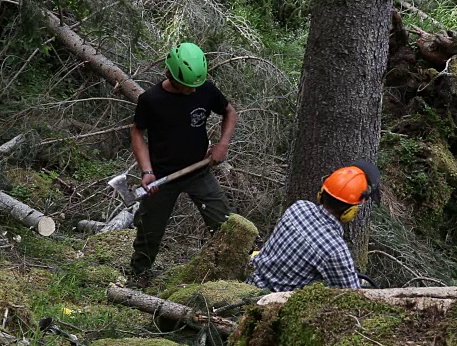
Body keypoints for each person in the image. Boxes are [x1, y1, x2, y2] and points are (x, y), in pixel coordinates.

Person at [128, 42, 237, 288]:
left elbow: (230, 112)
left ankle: (229, 277)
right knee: (149, 232)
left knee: (225, 223)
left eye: (195, 85)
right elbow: (137, 133)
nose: (192, 90)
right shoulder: (152, 99)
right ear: (171, 75)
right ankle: (137, 278)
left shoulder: (206, 90)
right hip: (161, 177)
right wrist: (147, 171)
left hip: (198, 169)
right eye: (188, 85)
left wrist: (223, 144)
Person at [246, 160, 381, 292]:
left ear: (322, 193)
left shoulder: (299, 207)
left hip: (249, 283)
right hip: (268, 304)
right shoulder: (335, 250)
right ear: (350, 211)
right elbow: (352, 296)